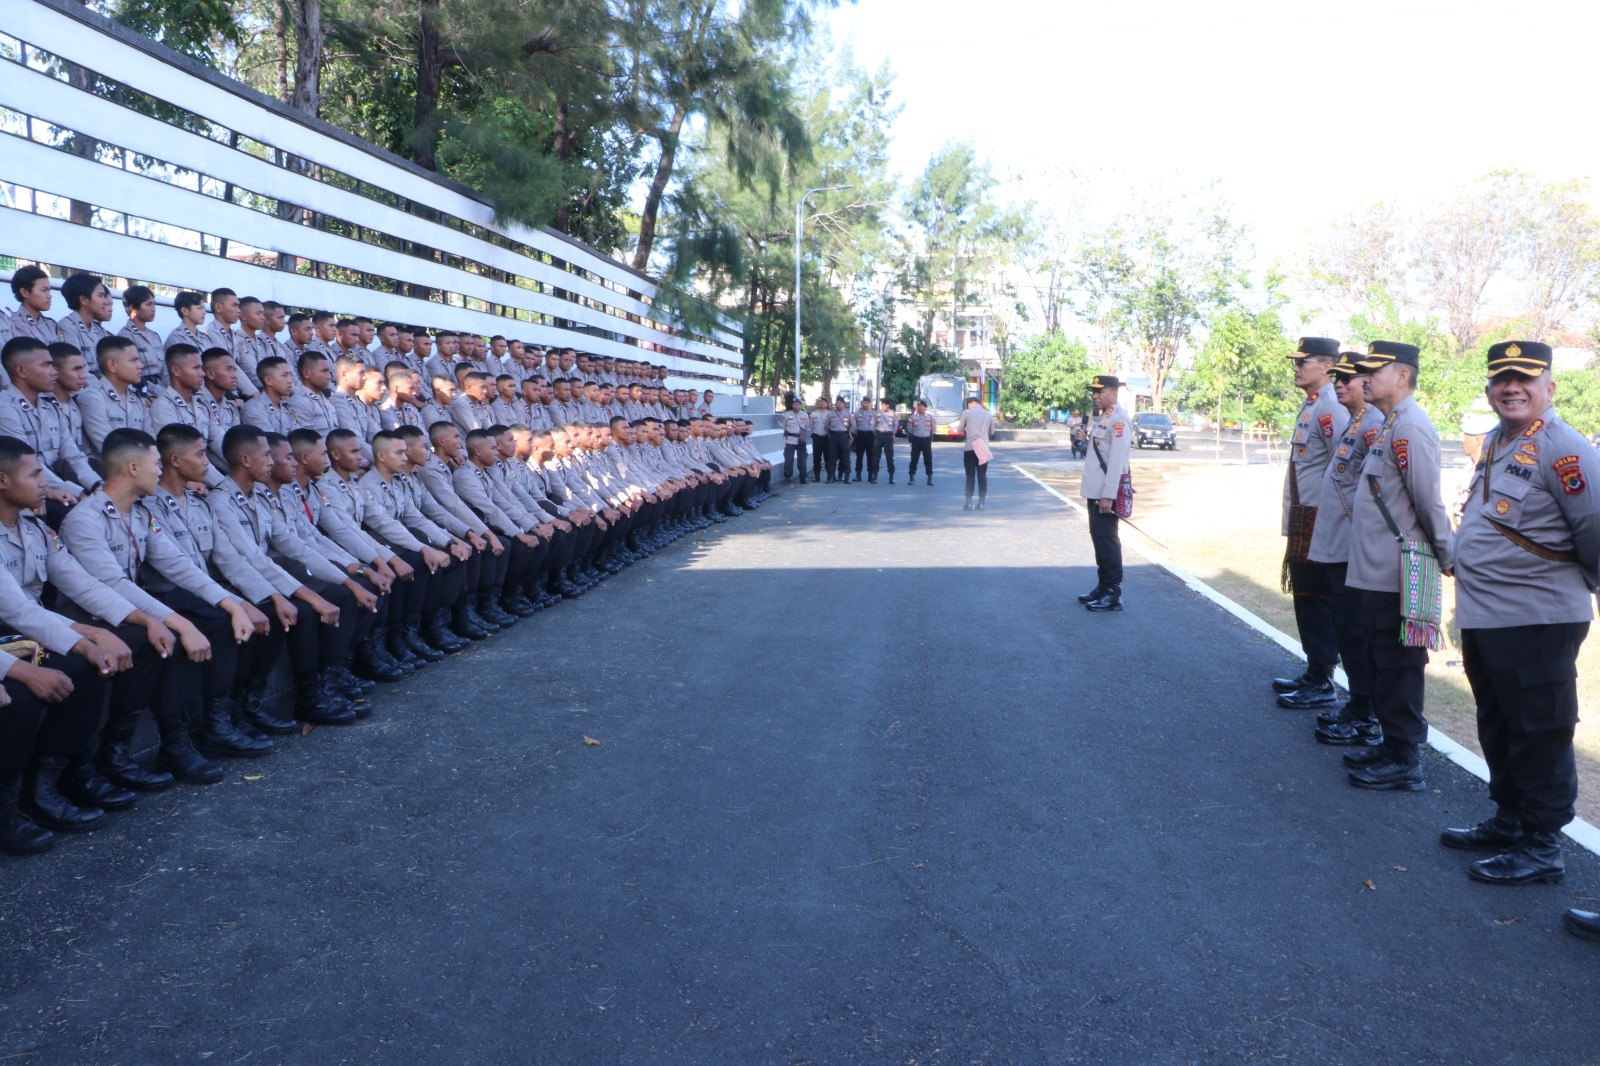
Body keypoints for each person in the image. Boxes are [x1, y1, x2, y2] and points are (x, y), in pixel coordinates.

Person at [1440, 342, 1598, 887]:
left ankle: (1541, 845)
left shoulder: (1565, 449)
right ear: (1489, 389)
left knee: (1540, 731)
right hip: (1489, 617)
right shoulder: (1495, 442)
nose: (1512, 387)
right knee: (1499, 725)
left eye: (1525, 378)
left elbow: (1595, 529)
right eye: (1501, 379)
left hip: (1539, 618)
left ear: (1549, 387)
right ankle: (1509, 821)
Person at [1343, 341, 1454, 792]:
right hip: (1378, 568)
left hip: (1399, 570)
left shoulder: (1410, 427)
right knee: (1380, 659)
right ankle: (1392, 745)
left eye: (1375, 370)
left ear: (1402, 376)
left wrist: (1448, 554)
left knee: (1399, 664)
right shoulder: (1392, 424)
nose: (1364, 378)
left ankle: (1405, 757)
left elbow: (1428, 501)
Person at [1305, 355, 1382, 746]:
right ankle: (1358, 706)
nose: (1340, 385)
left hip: (1354, 549)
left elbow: (1375, 493)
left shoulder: (1372, 427)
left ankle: (1366, 714)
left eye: (1348, 379)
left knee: (1356, 633)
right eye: (1337, 378)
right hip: (1337, 546)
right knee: (1347, 632)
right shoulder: (1356, 423)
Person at [1273, 337, 1350, 712]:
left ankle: (1323, 680)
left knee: (1318, 599)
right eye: (1297, 361)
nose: (1297, 367)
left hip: (1320, 519)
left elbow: (1344, 468)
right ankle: (1314, 670)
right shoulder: (1313, 406)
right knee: (1306, 596)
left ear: (1327, 366)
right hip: (1305, 517)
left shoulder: (1331, 410)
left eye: (1305, 361)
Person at [1078, 376, 1127, 610]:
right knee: (1097, 538)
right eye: (1093, 392)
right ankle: (1103, 585)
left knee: (1107, 540)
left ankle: (1113, 592)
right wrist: (1084, 442)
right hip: (1095, 490)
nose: (1095, 396)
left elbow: (1117, 461)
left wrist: (1109, 495)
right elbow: (1101, 452)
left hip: (1105, 494)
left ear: (1114, 393)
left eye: (1100, 391)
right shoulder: (1104, 418)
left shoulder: (1119, 420)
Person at [958, 395, 996, 513]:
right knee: (982, 475)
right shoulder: (988, 414)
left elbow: (959, 429)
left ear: (970, 403)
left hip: (970, 447)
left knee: (970, 475)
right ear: (979, 403)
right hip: (983, 448)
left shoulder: (966, 413)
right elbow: (992, 432)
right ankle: (981, 504)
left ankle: (968, 503)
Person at [779, 396, 809, 485]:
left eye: (798, 404)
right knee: (789, 460)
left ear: (800, 405)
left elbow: (806, 426)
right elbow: (783, 426)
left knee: (802, 460)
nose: (796, 406)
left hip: (801, 440)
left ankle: (803, 477)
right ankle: (787, 477)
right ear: (792, 405)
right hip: (790, 440)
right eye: (795, 404)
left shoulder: (805, 415)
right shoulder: (787, 415)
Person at [906, 399, 934, 485]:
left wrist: (929, 436)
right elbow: (909, 428)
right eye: (920, 406)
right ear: (918, 407)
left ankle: (930, 478)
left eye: (923, 406)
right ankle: (911, 477)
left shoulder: (930, 417)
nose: (921, 408)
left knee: (928, 460)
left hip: (926, 441)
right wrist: (914, 434)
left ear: (926, 408)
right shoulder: (913, 417)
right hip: (916, 441)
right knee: (914, 460)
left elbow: (933, 428)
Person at [826, 397, 852, 484]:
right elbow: (827, 425)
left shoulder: (848, 414)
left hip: (844, 436)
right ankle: (830, 476)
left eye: (841, 403)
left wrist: (851, 437)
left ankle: (847, 476)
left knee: (845, 457)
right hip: (833, 436)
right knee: (832, 457)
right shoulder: (831, 414)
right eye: (837, 403)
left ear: (844, 404)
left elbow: (852, 426)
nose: (839, 404)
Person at [874, 397, 898, 485]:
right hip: (879, 435)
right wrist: (876, 433)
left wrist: (893, 433)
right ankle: (875, 476)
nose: (883, 406)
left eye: (885, 405)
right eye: (882, 405)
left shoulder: (893, 413)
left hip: (888, 435)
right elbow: (873, 424)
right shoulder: (877, 413)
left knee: (890, 457)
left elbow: (896, 425)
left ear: (888, 405)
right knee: (876, 456)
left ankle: (891, 477)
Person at [851, 398, 876, 482]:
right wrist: (855, 432)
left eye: (867, 403)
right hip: (860, 435)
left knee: (871, 455)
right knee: (859, 456)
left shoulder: (874, 413)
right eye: (864, 403)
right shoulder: (857, 413)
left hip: (870, 435)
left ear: (870, 404)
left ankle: (871, 475)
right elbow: (854, 424)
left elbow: (876, 424)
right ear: (862, 403)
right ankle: (858, 474)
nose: (865, 404)